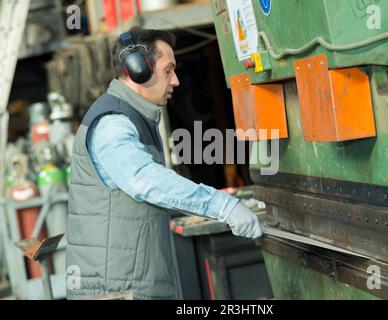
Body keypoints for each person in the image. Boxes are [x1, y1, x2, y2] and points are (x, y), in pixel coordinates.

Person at [65, 28, 264, 300]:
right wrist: (223, 206)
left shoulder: (135, 116)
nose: (176, 80)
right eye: (168, 70)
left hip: (130, 287)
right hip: (116, 292)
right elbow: (145, 180)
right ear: (138, 69)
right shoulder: (113, 123)